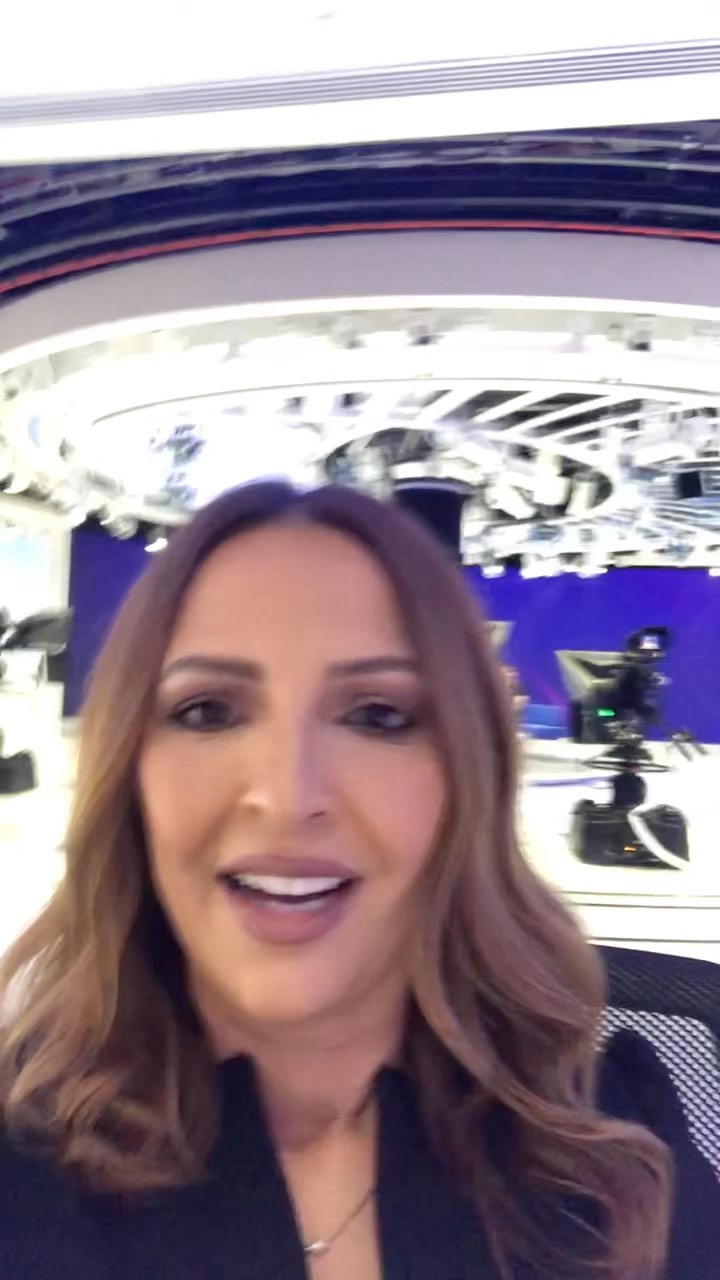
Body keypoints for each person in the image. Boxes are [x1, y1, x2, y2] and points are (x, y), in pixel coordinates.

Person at [0, 481, 717, 1280]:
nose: (286, 796)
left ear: (466, 779)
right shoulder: (22, 1173)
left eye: (378, 715)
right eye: (206, 711)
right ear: (129, 771)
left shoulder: (618, 1151)